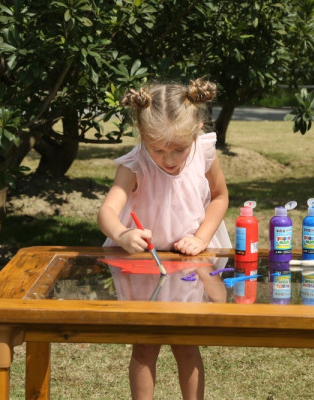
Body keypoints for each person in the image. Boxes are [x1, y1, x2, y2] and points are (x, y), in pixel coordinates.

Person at [97, 78, 231, 400]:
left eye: (178, 149)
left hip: (190, 263)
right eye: (158, 149)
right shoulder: (135, 164)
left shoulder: (204, 153)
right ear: (143, 136)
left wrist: (201, 238)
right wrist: (123, 233)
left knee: (186, 345)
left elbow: (219, 197)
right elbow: (106, 213)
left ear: (197, 130)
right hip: (145, 265)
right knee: (145, 345)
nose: (169, 159)